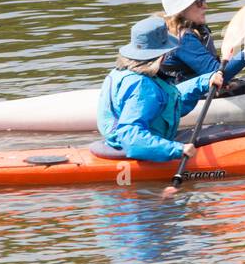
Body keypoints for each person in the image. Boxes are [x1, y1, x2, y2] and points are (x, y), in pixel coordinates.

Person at [96, 16, 224, 162]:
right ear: (160, 55)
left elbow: (171, 99)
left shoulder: (121, 72)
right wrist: (177, 150)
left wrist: (206, 80)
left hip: (126, 140)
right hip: (135, 147)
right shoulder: (142, 87)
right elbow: (130, 135)